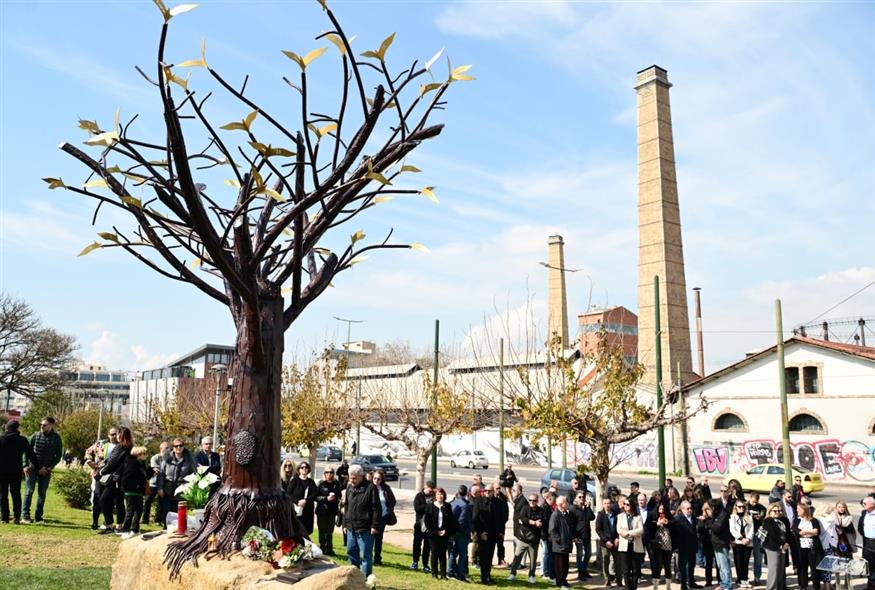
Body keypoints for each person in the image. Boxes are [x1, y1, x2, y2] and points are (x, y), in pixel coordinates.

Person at [22, 416, 63, 524]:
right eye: (41, 424)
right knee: (29, 491)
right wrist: (25, 465)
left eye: (44, 425)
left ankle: (38, 517)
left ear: (51, 425)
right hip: (32, 468)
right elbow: (26, 450)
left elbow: (59, 454)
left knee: (42, 493)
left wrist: (51, 466)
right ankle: (25, 516)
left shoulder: (57, 438)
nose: (42, 426)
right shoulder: (35, 436)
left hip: (46, 469)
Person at [342, 464, 380, 577]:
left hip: (365, 529)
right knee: (351, 552)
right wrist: (344, 524)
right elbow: (346, 506)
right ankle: (354, 578)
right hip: (351, 528)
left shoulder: (371, 488)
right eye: (350, 478)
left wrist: (375, 525)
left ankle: (366, 580)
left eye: (354, 478)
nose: (351, 481)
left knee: (365, 556)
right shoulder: (349, 487)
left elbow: (376, 508)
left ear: (361, 476)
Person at [97, 426, 133, 533]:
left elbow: (112, 462)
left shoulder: (120, 446)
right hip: (124, 479)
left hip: (115, 478)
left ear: (120, 435)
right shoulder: (130, 447)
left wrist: (101, 472)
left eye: (117, 434)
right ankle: (119, 525)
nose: (116, 436)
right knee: (119, 502)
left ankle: (109, 524)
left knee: (103, 500)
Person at [0, 420, 37, 524]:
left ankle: (4, 517)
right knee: (16, 494)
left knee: (3, 495)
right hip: (16, 471)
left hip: (2, 471)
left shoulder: (1, 439)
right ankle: (16, 517)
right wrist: (39, 467)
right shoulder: (22, 440)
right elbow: (31, 455)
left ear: (7, 428)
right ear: (17, 429)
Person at [156, 437, 196, 527]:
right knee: (166, 513)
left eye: (180, 445)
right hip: (168, 490)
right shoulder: (166, 459)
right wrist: (160, 488)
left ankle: (178, 531)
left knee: (179, 515)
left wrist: (190, 489)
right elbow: (161, 474)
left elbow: (193, 475)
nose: (178, 447)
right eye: (176, 446)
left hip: (182, 490)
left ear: (183, 447)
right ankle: (166, 530)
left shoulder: (189, 460)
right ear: (173, 447)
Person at [509, 491, 543, 584]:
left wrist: (532, 522)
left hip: (534, 540)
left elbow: (541, 521)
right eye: (530, 500)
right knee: (517, 558)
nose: (532, 502)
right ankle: (513, 573)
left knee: (533, 560)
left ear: (537, 501)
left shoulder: (540, 511)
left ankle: (531, 575)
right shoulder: (525, 508)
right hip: (523, 539)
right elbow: (522, 518)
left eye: (534, 500)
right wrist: (533, 522)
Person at [424, 487, 456, 580]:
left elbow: (450, 521)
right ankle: (434, 573)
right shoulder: (430, 506)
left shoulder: (447, 506)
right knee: (434, 552)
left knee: (442, 554)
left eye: (441, 494)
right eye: (438, 494)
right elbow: (427, 522)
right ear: (435, 496)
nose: (440, 496)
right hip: (433, 534)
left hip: (444, 533)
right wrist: (435, 531)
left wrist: (446, 530)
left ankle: (443, 574)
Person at [473, 483, 500, 585]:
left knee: (490, 555)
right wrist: (480, 532)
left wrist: (500, 532)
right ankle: (484, 577)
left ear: (493, 492)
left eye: (489, 491)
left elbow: (500, 518)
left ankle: (488, 574)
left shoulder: (497, 502)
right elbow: (475, 518)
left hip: (494, 533)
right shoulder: (478, 501)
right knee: (484, 556)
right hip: (483, 533)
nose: (487, 492)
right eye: (485, 491)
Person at [119, 446, 149, 538]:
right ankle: (125, 530)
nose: (146, 455)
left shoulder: (141, 464)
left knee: (139, 511)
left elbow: (144, 476)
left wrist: (151, 471)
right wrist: (135, 486)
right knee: (130, 511)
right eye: (144, 453)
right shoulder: (131, 463)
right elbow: (126, 478)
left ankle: (135, 529)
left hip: (139, 492)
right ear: (139, 454)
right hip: (131, 491)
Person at [761, 502, 792, 590]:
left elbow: (788, 533)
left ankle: (780, 588)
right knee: (774, 570)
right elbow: (773, 534)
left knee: (781, 570)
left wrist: (787, 543)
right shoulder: (768, 521)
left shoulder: (783, 520)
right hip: (772, 547)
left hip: (783, 547)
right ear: (770, 511)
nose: (778, 512)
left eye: (779, 511)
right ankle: (771, 588)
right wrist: (782, 543)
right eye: (775, 511)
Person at [617, 495, 645, 590]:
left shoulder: (638, 517)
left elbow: (641, 530)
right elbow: (619, 530)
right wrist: (631, 533)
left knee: (636, 571)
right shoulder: (620, 516)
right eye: (624, 504)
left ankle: (634, 588)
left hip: (635, 546)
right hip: (624, 547)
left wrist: (629, 533)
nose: (625, 506)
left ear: (632, 505)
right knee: (626, 571)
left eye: (627, 504)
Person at [550, 495, 577, 590]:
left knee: (565, 566)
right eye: (566, 502)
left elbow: (569, 528)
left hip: (566, 544)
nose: (567, 504)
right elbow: (552, 530)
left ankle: (562, 581)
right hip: (559, 546)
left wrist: (571, 537)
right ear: (561, 504)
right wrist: (560, 540)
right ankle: (561, 583)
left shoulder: (566, 514)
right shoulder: (555, 515)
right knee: (560, 567)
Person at [671, 500, 699, 590]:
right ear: (682, 509)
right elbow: (674, 534)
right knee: (683, 567)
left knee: (692, 565)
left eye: (691, 508)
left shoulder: (693, 517)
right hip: (683, 547)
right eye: (688, 508)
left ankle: (691, 582)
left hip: (692, 546)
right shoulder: (678, 519)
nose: (690, 510)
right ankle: (684, 585)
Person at [794, 504, 823, 590]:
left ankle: (816, 585)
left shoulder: (813, 520)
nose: (797, 511)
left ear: (805, 510)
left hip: (812, 546)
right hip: (801, 546)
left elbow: (817, 531)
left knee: (814, 566)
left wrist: (805, 531)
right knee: (802, 565)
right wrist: (810, 531)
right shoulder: (797, 520)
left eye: (799, 509)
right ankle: (803, 585)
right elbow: (796, 530)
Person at [370, 469, 395, 565]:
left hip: (383, 516)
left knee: (378, 538)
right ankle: (368, 557)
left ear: (382, 480)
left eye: (378, 479)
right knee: (370, 538)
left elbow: (392, 500)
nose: (376, 480)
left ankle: (377, 558)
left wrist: (388, 510)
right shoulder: (369, 487)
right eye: (374, 478)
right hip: (371, 517)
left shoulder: (385, 488)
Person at [315, 465, 342, 556]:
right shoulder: (321, 484)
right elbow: (316, 497)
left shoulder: (336, 484)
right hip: (322, 511)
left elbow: (339, 495)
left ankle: (329, 549)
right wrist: (326, 498)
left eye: (331, 472)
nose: (329, 474)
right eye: (327, 472)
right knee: (322, 531)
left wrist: (336, 498)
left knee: (330, 531)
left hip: (332, 511)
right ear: (324, 474)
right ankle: (322, 547)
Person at [711, 491, 735, 590]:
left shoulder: (724, 514)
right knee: (720, 565)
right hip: (716, 542)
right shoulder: (716, 515)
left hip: (722, 542)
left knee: (725, 565)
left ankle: (727, 585)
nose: (710, 510)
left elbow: (716, 528)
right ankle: (723, 583)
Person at [570, 490, 595, 581]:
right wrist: (574, 537)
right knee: (580, 554)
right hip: (578, 536)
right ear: (576, 498)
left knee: (588, 553)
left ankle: (584, 569)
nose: (581, 499)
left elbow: (592, 517)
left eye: (583, 497)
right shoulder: (573, 509)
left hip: (587, 535)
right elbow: (571, 525)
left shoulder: (585, 509)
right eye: (579, 497)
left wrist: (588, 508)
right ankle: (580, 572)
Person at [449, 485, 472, 582]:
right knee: (462, 555)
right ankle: (460, 574)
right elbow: (462, 521)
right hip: (461, 533)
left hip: (453, 532)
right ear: (466, 493)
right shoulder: (465, 505)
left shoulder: (452, 503)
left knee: (453, 553)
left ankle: (451, 572)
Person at [287, 461, 318, 535]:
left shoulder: (311, 482)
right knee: (296, 530)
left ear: (308, 470)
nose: (304, 469)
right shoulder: (294, 481)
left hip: (308, 510)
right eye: (302, 467)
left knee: (306, 531)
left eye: (306, 467)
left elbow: (315, 494)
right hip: (296, 509)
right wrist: (297, 501)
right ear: (299, 469)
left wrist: (305, 501)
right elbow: (288, 494)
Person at [729, 499, 754, 588]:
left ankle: (745, 579)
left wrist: (748, 538)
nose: (741, 508)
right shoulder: (732, 517)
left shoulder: (749, 517)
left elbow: (751, 529)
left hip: (748, 542)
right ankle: (740, 579)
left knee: (746, 562)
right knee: (739, 561)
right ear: (736, 507)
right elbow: (732, 529)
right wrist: (741, 538)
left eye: (743, 507)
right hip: (738, 542)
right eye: (739, 507)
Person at [597, 496, 621, 587]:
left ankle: (619, 581)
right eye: (605, 503)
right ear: (603, 504)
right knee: (606, 561)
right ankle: (607, 580)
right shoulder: (600, 515)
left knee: (618, 562)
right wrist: (606, 541)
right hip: (605, 543)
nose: (607, 505)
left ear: (611, 504)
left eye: (608, 503)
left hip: (615, 542)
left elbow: (619, 527)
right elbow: (598, 529)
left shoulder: (615, 514)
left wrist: (618, 538)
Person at [411, 481, 435, 572]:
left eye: (432, 489)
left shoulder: (433, 497)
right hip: (419, 524)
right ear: (425, 487)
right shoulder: (419, 496)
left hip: (429, 525)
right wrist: (428, 506)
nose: (430, 491)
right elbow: (417, 508)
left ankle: (425, 564)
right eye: (429, 488)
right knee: (417, 544)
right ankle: (415, 562)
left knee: (427, 546)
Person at [650, 503, 674, 590]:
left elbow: (675, 524)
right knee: (658, 564)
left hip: (668, 544)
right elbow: (649, 527)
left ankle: (668, 585)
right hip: (658, 544)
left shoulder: (669, 517)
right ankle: (656, 585)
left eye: (663, 509)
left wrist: (667, 522)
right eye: (660, 509)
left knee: (667, 564)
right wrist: (657, 523)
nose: (661, 511)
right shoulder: (653, 516)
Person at [143, 441, 167, 525]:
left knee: (161, 502)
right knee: (148, 501)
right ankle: (145, 519)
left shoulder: (168, 459)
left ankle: (158, 520)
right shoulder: (155, 457)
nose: (168, 450)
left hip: (163, 483)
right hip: (153, 483)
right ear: (161, 449)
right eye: (166, 448)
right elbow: (156, 469)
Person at [747, 493, 766, 585]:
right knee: (745, 558)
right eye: (753, 501)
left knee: (758, 557)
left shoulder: (762, 508)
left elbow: (763, 519)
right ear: (750, 498)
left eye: (756, 502)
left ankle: (757, 577)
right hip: (747, 533)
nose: (754, 504)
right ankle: (743, 577)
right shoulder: (744, 506)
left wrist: (760, 518)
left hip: (757, 534)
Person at [697, 502, 716, 588]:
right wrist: (703, 521)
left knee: (718, 564)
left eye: (711, 508)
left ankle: (720, 580)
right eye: (708, 509)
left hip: (716, 543)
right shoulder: (702, 519)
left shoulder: (716, 518)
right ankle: (708, 580)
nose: (710, 510)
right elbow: (700, 531)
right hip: (707, 543)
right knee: (708, 563)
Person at [540, 490, 557, 582]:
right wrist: (548, 536)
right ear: (549, 499)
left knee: (549, 554)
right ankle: (546, 573)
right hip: (545, 536)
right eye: (553, 500)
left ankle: (549, 572)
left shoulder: (549, 507)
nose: (554, 502)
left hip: (549, 536)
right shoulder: (544, 508)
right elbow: (545, 523)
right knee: (547, 554)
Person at [858, 496, 875, 590]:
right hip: (867, 541)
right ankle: (871, 584)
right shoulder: (864, 513)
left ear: (872, 504)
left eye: (865, 503)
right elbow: (860, 527)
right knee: (869, 564)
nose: (863, 505)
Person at [492, 481, 510, 566]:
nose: (498, 490)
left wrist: (504, 520)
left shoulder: (503, 498)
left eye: (499, 488)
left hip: (500, 525)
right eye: (497, 488)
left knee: (500, 543)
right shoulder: (490, 497)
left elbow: (506, 511)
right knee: (490, 544)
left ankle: (501, 559)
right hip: (492, 525)